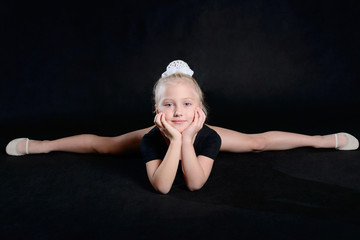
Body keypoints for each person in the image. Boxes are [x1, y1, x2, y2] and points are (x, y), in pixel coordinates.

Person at [6, 60, 359, 194]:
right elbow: (162, 187)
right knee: (105, 145)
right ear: (157, 110)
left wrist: (189, 136)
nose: (178, 111)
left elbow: (194, 183)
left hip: (197, 136)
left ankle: (321, 139)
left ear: (199, 109)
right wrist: (174, 138)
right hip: (164, 140)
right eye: (169, 105)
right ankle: (44, 144)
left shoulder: (208, 134)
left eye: (187, 104)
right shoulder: (150, 137)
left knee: (256, 143)